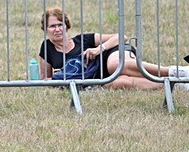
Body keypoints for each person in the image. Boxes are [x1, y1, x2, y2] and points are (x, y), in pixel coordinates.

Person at [37, 6, 189, 90]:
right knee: (117, 83)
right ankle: (175, 84)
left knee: (114, 65)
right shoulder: (47, 48)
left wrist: (98, 49)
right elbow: (45, 80)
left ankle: (176, 71)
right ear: (45, 29)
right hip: (100, 78)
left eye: (59, 25)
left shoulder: (83, 39)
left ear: (66, 26)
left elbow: (121, 37)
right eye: (52, 26)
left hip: (113, 54)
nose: (57, 29)